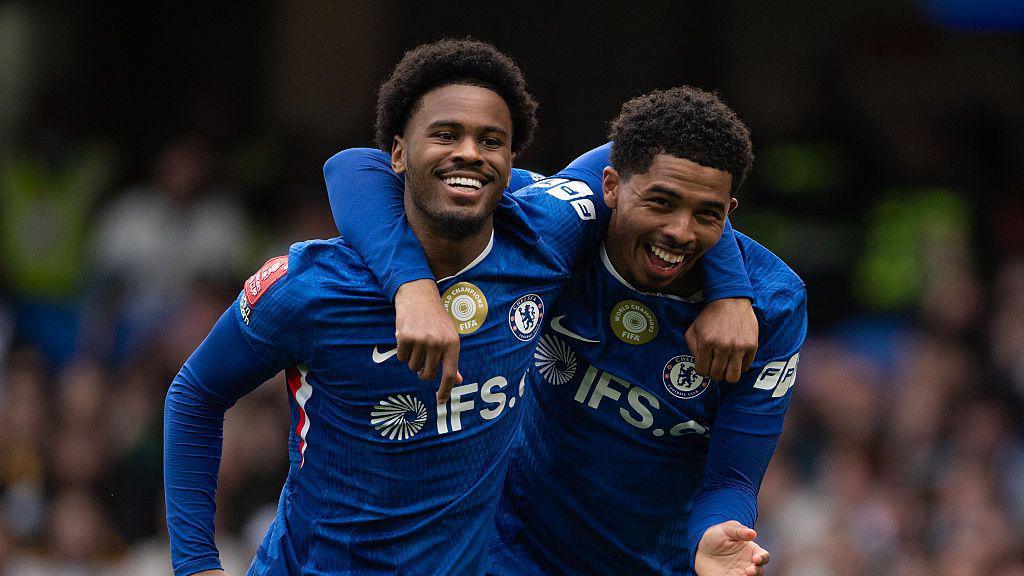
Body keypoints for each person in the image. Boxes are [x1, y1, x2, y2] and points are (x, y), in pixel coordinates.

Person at [165, 40, 754, 576]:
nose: (469, 154)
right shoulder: (312, 285)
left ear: (513, 162)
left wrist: (729, 286)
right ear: (396, 153)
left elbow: (668, 164)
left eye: (491, 141)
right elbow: (195, 395)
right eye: (445, 135)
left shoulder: (545, 235)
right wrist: (196, 565)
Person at [325, 87, 805, 575]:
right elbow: (357, 168)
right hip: (508, 551)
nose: (680, 231)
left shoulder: (773, 307)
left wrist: (716, 533)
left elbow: (734, 480)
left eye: (709, 215)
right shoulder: (556, 225)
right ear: (611, 187)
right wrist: (413, 289)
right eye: (660, 202)